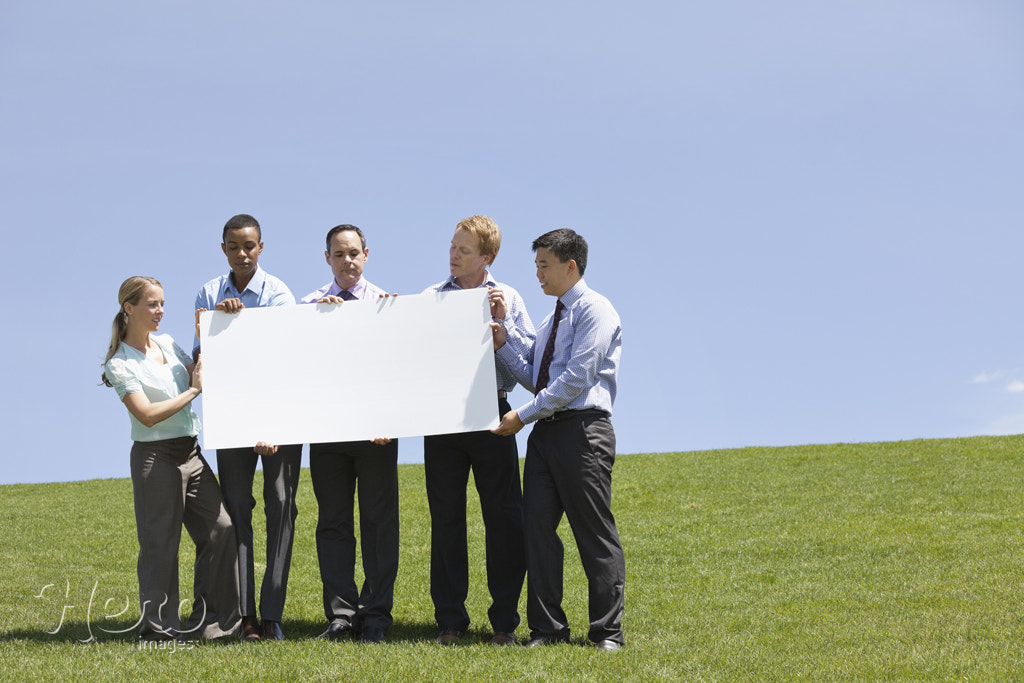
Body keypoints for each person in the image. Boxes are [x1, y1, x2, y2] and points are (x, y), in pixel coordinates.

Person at [490, 228, 626, 651]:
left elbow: (576, 379)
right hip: (547, 434)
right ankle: (548, 630)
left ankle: (607, 633)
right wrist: (503, 343)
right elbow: (537, 378)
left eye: (543, 265)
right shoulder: (551, 320)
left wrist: (522, 416)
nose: (537, 274)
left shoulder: (596, 310)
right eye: (535, 266)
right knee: (537, 530)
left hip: (584, 432)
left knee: (593, 532)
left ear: (570, 266)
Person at [102, 276, 240, 641]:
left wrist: (213, 328)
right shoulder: (120, 364)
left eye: (162, 303)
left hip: (191, 453)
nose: (160, 311)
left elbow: (201, 365)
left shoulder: (167, 343)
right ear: (128, 308)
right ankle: (160, 631)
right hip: (156, 458)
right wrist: (194, 390)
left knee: (221, 529)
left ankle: (212, 626)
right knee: (161, 545)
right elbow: (146, 414)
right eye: (151, 304)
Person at [421, 215, 534, 646]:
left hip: (494, 415)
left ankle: (504, 621)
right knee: (446, 518)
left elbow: (528, 371)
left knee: (504, 519)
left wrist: (502, 331)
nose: (453, 254)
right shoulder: (431, 298)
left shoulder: (511, 299)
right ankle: (450, 620)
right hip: (444, 419)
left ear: (486, 257)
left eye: (463, 250)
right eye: (452, 246)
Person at [193, 214, 303, 641]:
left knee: (281, 505)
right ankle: (245, 617)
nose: (242, 253)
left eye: (250, 246)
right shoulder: (207, 292)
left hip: (278, 416)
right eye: (234, 246)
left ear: (261, 248)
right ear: (223, 248)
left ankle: (272, 613)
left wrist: (271, 423)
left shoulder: (279, 294)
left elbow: (280, 356)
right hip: (233, 415)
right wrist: (220, 322)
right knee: (236, 506)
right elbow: (204, 357)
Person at [302, 224, 400, 645]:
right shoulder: (307, 306)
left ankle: (376, 615)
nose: (348, 262)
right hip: (327, 434)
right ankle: (340, 616)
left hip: (377, 435)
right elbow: (296, 367)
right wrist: (315, 323)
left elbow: (400, 371)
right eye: (339, 254)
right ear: (327, 258)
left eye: (354, 253)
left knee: (380, 524)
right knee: (334, 525)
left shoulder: (388, 305)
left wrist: (391, 419)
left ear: (366, 255)